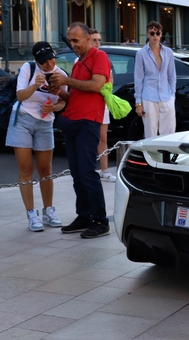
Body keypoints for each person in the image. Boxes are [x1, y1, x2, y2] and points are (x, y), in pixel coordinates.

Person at [48, 22, 111, 239]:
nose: (73, 44)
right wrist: (59, 91)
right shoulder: (78, 62)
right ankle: (84, 216)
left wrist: (66, 81)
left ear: (87, 39)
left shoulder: (98, 56)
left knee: (86, 172)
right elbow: (75, 95)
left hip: (88, 121)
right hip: (73, 120)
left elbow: (96, 85)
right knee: (77, 174)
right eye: (70, 40)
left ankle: (100, 221)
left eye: (76, 40)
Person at [6, 42, 67, 231]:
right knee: (26, 168)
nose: (49, 64)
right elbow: (21, 95)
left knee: (45, 169)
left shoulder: (62, 75)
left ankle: (49, 210)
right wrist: (35, 85)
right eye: (44, 61)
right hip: (23, 120)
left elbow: (63, 102)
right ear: (36, 61)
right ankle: (31, 214)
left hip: (45, 122)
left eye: (51, 59)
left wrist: (54, 108)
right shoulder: (28, 68)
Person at [134, 21, 177, 138]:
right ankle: (151, 157)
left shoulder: (168, 52)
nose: (155, 36)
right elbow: (138, 79)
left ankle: (167, 156)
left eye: (157, 33)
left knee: (169, 134)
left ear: (161, 34)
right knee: (150, 133)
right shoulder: (141, 54)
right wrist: (138, 102)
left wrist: (172, 96)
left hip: (166, 96)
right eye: (152, 33)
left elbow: (172, 76)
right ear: (147, 34)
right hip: (149, 97)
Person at [89, 29, 115, 182]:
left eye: (99, 40)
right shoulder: (80, 60)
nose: (97, 43)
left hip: (102, 102)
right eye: (94, 40)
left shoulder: (103, 58)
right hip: (88, 104)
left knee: (103, 137)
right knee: (89, 136)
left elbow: (110, 81)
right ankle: (91, 169)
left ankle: (105, 171)